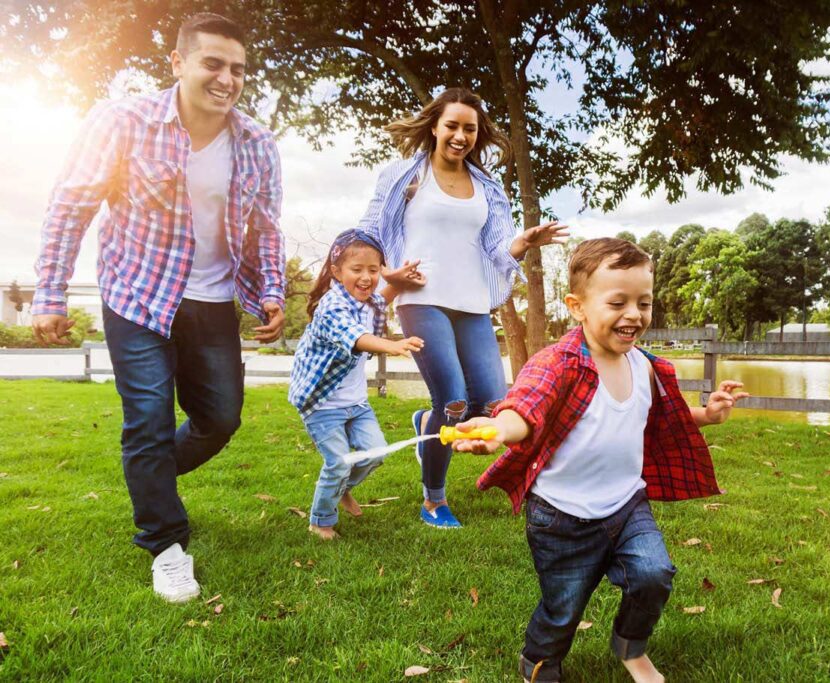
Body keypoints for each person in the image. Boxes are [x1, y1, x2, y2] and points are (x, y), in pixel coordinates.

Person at [31, 13, 286, 603]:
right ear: (178, 63)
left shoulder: (258, 142)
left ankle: (148, 480)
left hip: (214, 301)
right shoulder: (123, 121)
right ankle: (166, 543)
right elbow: (70, 206)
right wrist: (50, 292)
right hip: (138, 295)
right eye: (213, 63)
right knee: (146, 419)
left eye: (239, 69)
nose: (228, 79)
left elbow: (265, 229)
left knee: (220, 420)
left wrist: (270, 288)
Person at [452, 238, 749, 683]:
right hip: (561, 517)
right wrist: (499, 429)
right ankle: (540, 660)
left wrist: (708, 414)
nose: (634, 314)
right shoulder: (557, 363)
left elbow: (661, 416)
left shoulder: (646, 367)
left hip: (627, 504)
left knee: (654, 574)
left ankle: (631, 647)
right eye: (618, 302)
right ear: (577, 306)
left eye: (643, 302)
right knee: (563, 604)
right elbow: (524, 407)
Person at [358, 87, 568, 528]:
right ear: (434, 126)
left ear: (478, 134)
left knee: (493, 404)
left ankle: (426, 424)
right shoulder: (404, 176)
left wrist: (524, 243)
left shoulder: (487, 187)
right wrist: (387, 277)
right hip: (422, 298)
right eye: (451, 125)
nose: (460, 135)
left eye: (469, 128)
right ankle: (433, 500)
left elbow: (495, 248)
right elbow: (371, 231)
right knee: (453, 402)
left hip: (472, 300)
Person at [289, 230, 425, 540]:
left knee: (376, 452)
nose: (366, 278)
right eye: (357, 270)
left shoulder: (366, 300)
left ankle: (341, 487)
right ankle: (320, 521)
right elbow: (356, 338)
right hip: (322, 404)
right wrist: (391, 345)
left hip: (356, 403)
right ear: (337, 273)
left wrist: (400, 281)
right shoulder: (332, 306)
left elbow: (382, 297)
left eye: (373, 270)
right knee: (337, 462)